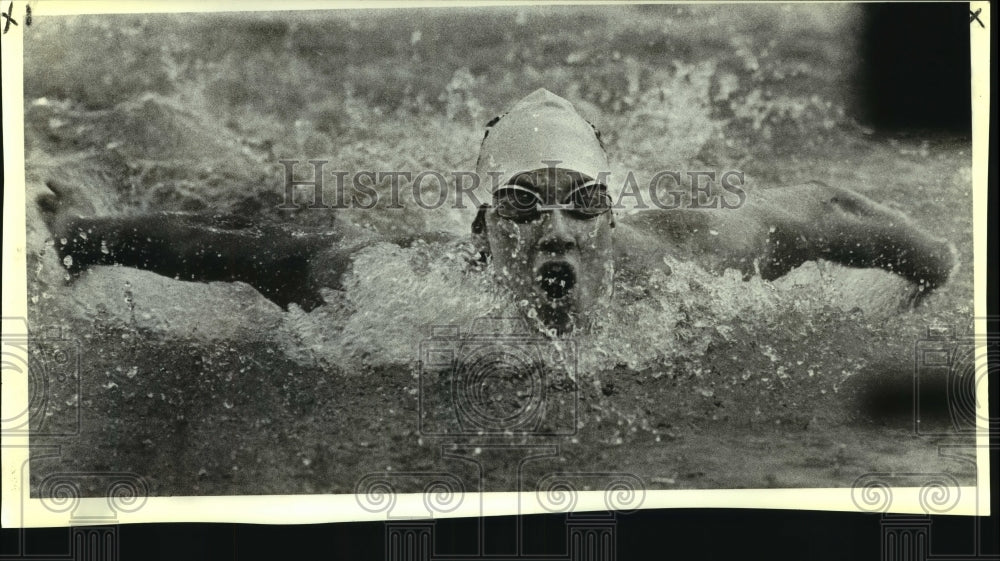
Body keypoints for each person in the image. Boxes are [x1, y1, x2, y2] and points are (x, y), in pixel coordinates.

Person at [39, 89, 956, 334]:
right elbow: (223, 248)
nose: (554, 228)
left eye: (580, 204)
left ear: (611, 219)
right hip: (294, 212)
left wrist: (933, 262)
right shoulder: (390, 285)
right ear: (484, 231)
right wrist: (78, 234)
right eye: (521, 206)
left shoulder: (688, 261)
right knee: (255, 190)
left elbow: (821, 206)